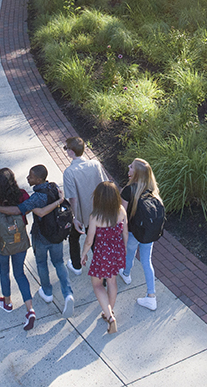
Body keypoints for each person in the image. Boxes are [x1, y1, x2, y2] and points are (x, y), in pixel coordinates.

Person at [0, 165, 75, 316]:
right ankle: (68, 294)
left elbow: (19, 210)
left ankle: (47, 292)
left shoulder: (36, 198)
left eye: (31, 176)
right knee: (59, 263)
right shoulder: (54, 187)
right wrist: (60, 200)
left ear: (39, 179)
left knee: (42, 263)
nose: (28, 178)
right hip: (57, 234)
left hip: (41, 236)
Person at [0, 168, 37, 331]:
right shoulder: (21, 195)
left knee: (4, 271)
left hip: (3, 245)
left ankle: (7, 302)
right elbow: (24, 210)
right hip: (20, 243)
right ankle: (30, 310)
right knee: (20, 273)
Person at [61, 136, 111, 277]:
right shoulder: (95, 164)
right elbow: (106, 185)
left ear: (71, 152)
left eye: (66, 149)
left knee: (75, 237)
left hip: (83, 214)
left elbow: (73, 198)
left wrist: (75, 217)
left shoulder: (69, 172)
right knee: (96, 241)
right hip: (99, 211)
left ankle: (77, 266)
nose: (66, 151)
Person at [119, 158, 162, 310]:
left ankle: (126, 273)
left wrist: (121, 235)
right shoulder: (152, 192)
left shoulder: (128, 191)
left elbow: (122, 217)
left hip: (132, 232)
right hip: (148, 234)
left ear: (135, 173)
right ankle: (151, 296)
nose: (128, 168)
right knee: (146, 261)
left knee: (129, 253)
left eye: (131, 167)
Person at [84, 181, 127, 334]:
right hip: (116, 251)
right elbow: (125, 234)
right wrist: (124, 251)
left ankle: (109, 317)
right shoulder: (121, 211)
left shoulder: (95, 216)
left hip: (102, 253)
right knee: (112, 281)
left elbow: (89, 240)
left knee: (97, 285)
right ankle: (109, 311)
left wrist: (83, 254)